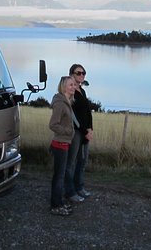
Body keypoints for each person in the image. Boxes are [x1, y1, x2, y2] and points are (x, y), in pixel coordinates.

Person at [64, 63, 93, 202]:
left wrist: (90, 128)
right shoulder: (70, 92)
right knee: (71, 162)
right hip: (76, 132)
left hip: (85, 132)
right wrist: (83, 130)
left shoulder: (82, 91)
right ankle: (69, 192)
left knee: (82, 161)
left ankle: (79, 187)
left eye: (83, 73)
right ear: (71, 75)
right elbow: (73, 116)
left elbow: (88, 112)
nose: (81, 75)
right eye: (78, 73)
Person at [48, 75, 77, 216]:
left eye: (74, 85)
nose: (74, 87)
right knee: (58, 176)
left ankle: (59, 202)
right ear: (63, 87)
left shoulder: (67, 102)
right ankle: (55, 206)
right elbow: (53, 124)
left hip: (64, 143)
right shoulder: (60, 103)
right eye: (71, 85)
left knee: (60, 175)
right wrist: (67, 131)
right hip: (59, 144)